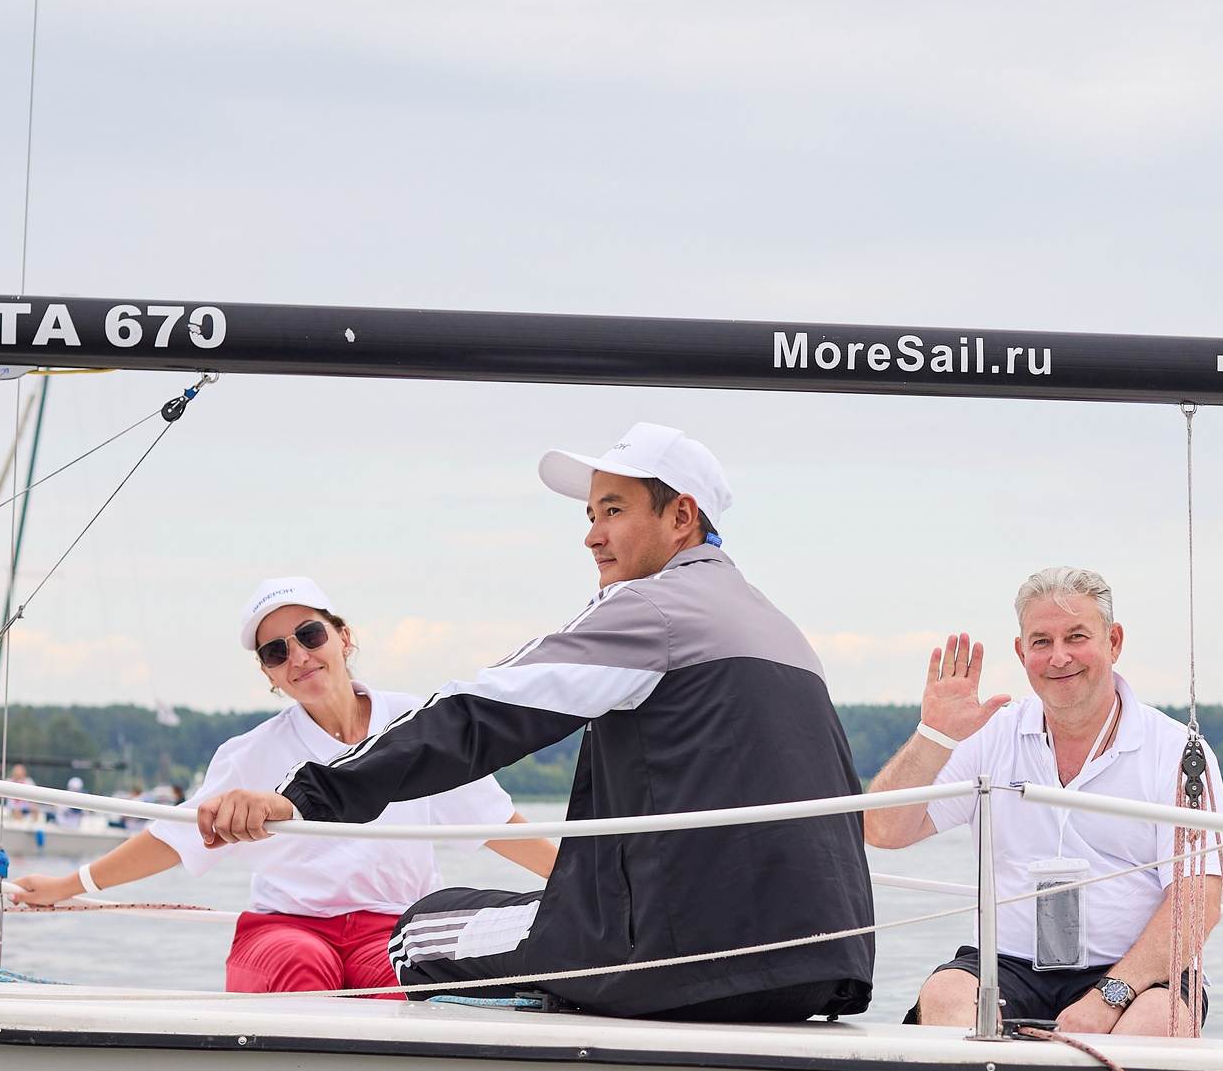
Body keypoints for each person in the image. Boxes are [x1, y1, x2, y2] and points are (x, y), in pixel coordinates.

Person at [196, 424, 874, 1023]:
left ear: (681, 516)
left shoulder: (647, 609)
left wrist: (306, 796)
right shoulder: (784, 631)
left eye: (613, 509)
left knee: (414, 935)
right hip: (824, 962)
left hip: (682, 958)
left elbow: (480, 713)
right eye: (589, 513)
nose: (591, 533)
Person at [11, 576, 557, 993]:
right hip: (286, 929)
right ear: (270, 675)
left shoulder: (418, 726)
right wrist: (67, 887)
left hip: (393, 928)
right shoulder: (249, 754)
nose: (297, 655)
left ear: (343, 638)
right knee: (300, 964)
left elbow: (498, 828)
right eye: (275, 652)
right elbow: (172, 839)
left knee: (399, 979)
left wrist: (594, 892)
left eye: (309, 634)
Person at [864, 566, 1223, 1035]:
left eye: (1077, 637)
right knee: (946, 996)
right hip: (1009, 963)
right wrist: (935, 735)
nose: (1059, 657)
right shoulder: (988, 737)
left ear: (1114, 642)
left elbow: (1198, 900)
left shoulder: (1178, 753)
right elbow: (882, 831)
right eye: (1041, 642)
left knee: (1159, 1023)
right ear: (1021, 652)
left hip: (1138, 974)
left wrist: (1108, 997)